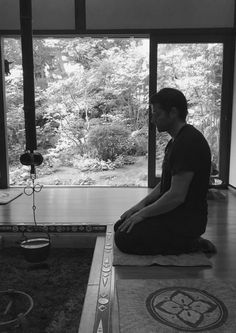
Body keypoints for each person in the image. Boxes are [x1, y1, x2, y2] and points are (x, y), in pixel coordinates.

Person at [114, 87, 212, 255]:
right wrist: (139, 207)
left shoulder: (189, 142)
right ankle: (181, 240)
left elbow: (176, 196)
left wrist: (143, 215)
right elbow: (164, 185)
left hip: (186, 219)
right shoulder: (175, 141)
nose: (153, 119)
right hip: (174, 211)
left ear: (173, 112)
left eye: (157, 114)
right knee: (122, 223)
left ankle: (190, 242)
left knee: (124, 238)